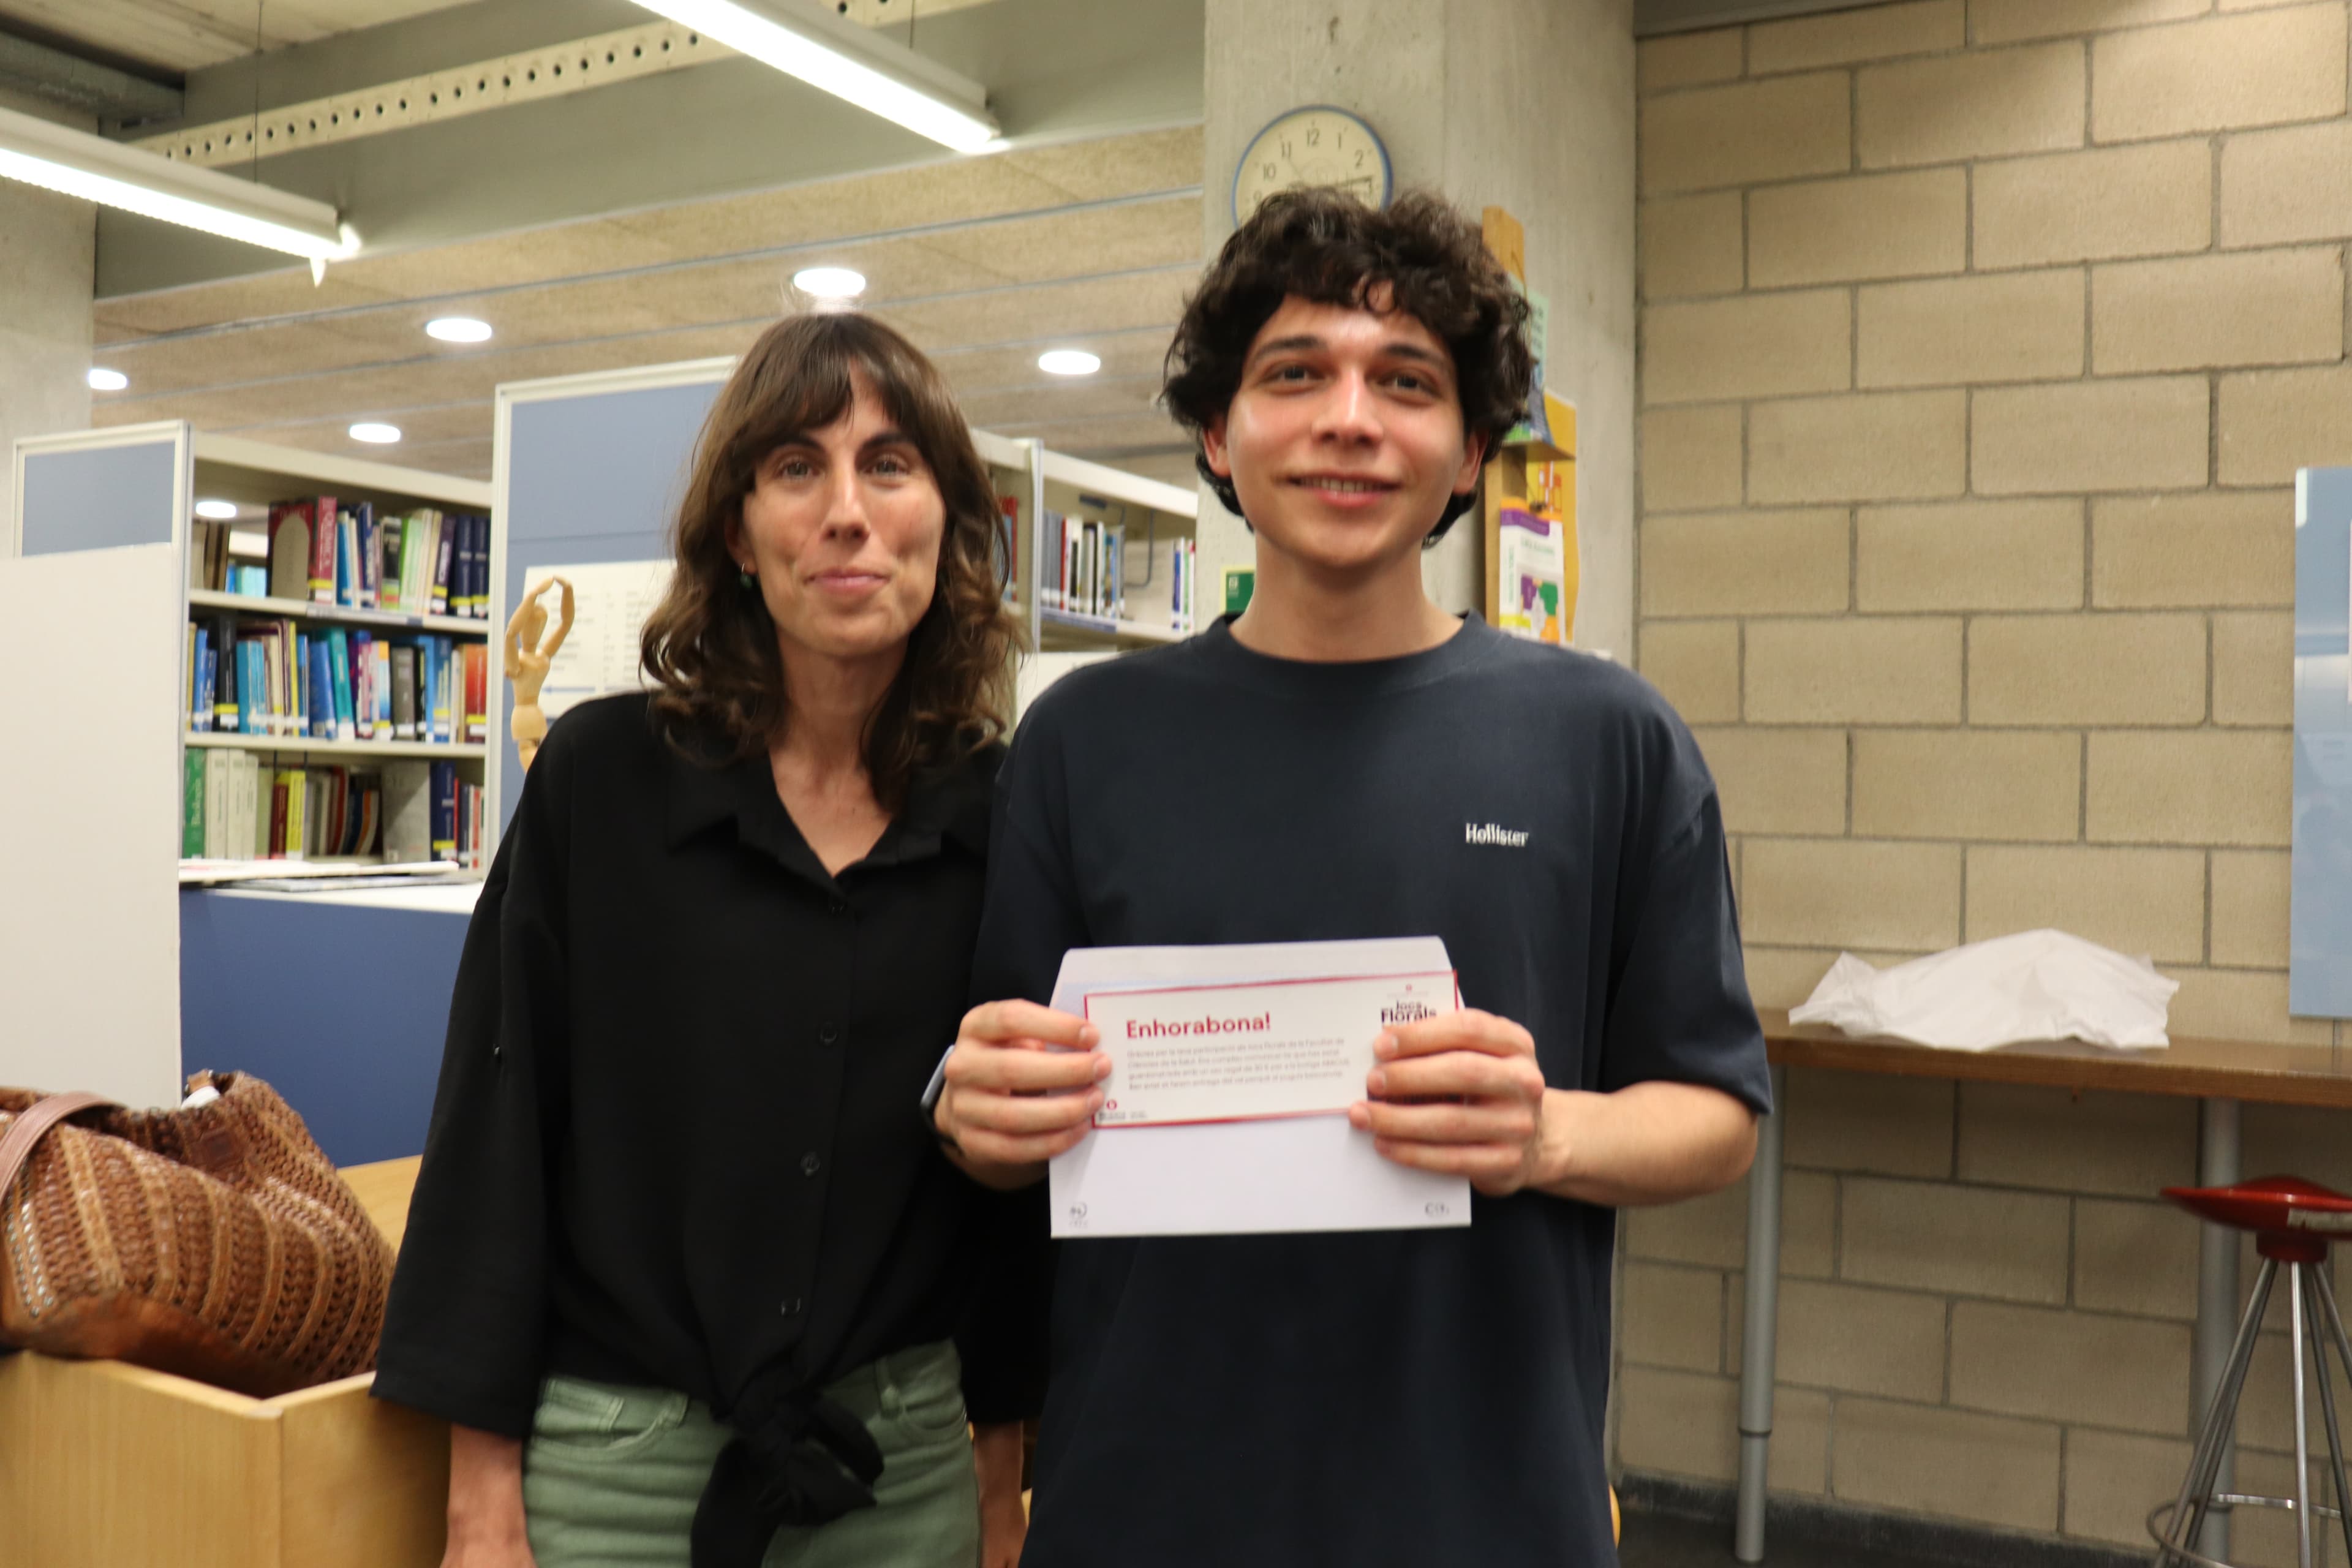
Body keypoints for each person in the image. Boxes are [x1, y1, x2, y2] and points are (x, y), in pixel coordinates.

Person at [931, 189, 1771, 1566]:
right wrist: (973, 1107)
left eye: (1408, 382)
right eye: (1295, 373)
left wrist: (1545, 1133)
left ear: (1468, 454)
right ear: (1218, 431)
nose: (1349, 417)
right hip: (1147, 1496)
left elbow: (1717, 1112)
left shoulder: (1608, 737)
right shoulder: (1089, 736)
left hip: (1485, 1503)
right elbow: (996, 1099)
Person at [375, 312, 1036, 1568]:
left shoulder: (1002, 815)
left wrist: (1001, 1496)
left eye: (890, 465)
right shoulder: (603, 782)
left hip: (895, 1482)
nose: (847, 510)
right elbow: (497, 1137)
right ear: (738, 530)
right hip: (615, 1473)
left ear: (945, 518)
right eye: (796, 467)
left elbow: (1012, 1197)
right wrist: (479, 1503)